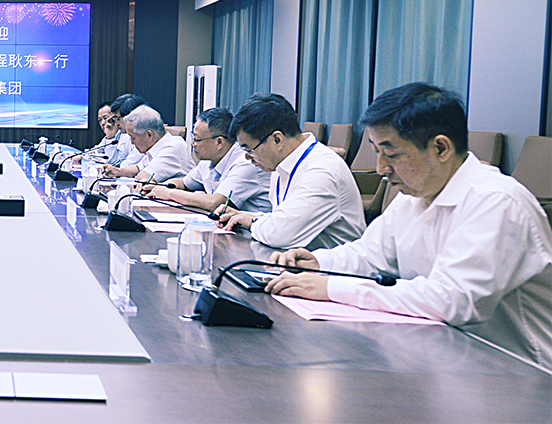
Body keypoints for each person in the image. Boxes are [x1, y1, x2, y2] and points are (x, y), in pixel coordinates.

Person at [266, 83, 552, 369]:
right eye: (376, 153)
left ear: (440, 148)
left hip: (522, 371)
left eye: (391, 154)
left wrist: (332, 287)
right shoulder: (414, 196)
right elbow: (369, 255)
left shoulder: (496, 201)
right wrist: (317, 262)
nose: (381, 168)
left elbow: (451, 301)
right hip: (446, 355)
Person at [218, 93, 364, 250]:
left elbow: (280, 234)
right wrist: (246, 216)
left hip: (329, 264)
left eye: (249, 150)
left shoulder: (322, 171)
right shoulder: (281, 166)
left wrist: (251, 222)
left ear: (277, 140)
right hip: (300, 259)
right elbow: (286, 218)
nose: (247, 158)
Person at [146, 107, 271, 213]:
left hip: (249, 230)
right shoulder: (207, 160)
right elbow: (184, 183)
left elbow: (216, 203)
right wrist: (159, 187)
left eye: (197, 139)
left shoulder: (246, 162)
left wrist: (169, 193)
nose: (192, 144)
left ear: (219, 142)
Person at [123, 105, 194, 184]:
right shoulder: (156, 146)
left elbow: (144, 177)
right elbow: (138, 168)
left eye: (133, 137)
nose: (132, 142)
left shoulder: (173, 147)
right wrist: (118, 171)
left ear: (149, 134)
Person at [102, 94, 148, 176]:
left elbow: (126, 166)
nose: (116, 123)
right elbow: (113, 162)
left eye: (117, 118)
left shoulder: (144, 138)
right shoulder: (126, 135)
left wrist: (115, 169)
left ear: (131, 116)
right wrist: (110, 136)